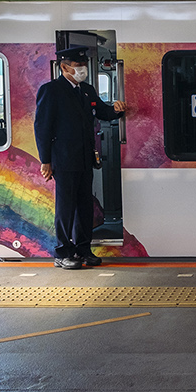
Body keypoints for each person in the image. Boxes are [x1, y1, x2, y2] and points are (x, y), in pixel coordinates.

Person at [35, 46, 127, 269]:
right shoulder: (51, 90)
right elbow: (42, 127)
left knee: (85, 206)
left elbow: (102, 112)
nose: (82, 69)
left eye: (83, 66)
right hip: (64, 159)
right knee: (66, 207)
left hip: (86, 158)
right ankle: (63, 252)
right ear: (64, 67)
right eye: (78, 66)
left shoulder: (86, 90)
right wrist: (45, 160)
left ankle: (83, 249)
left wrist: (117, 110)